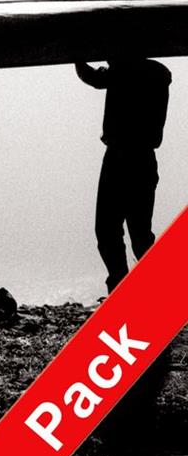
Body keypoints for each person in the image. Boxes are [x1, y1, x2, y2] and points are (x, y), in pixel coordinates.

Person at [75, 56, 171, 293]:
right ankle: (149, 290)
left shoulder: (126, 71)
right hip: (140, 160)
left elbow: (93, 77)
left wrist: (76, 57)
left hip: (121, 158)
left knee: (111, 231)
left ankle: (126, 287)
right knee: (136, 233)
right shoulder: (155, 72)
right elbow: (97, 77)